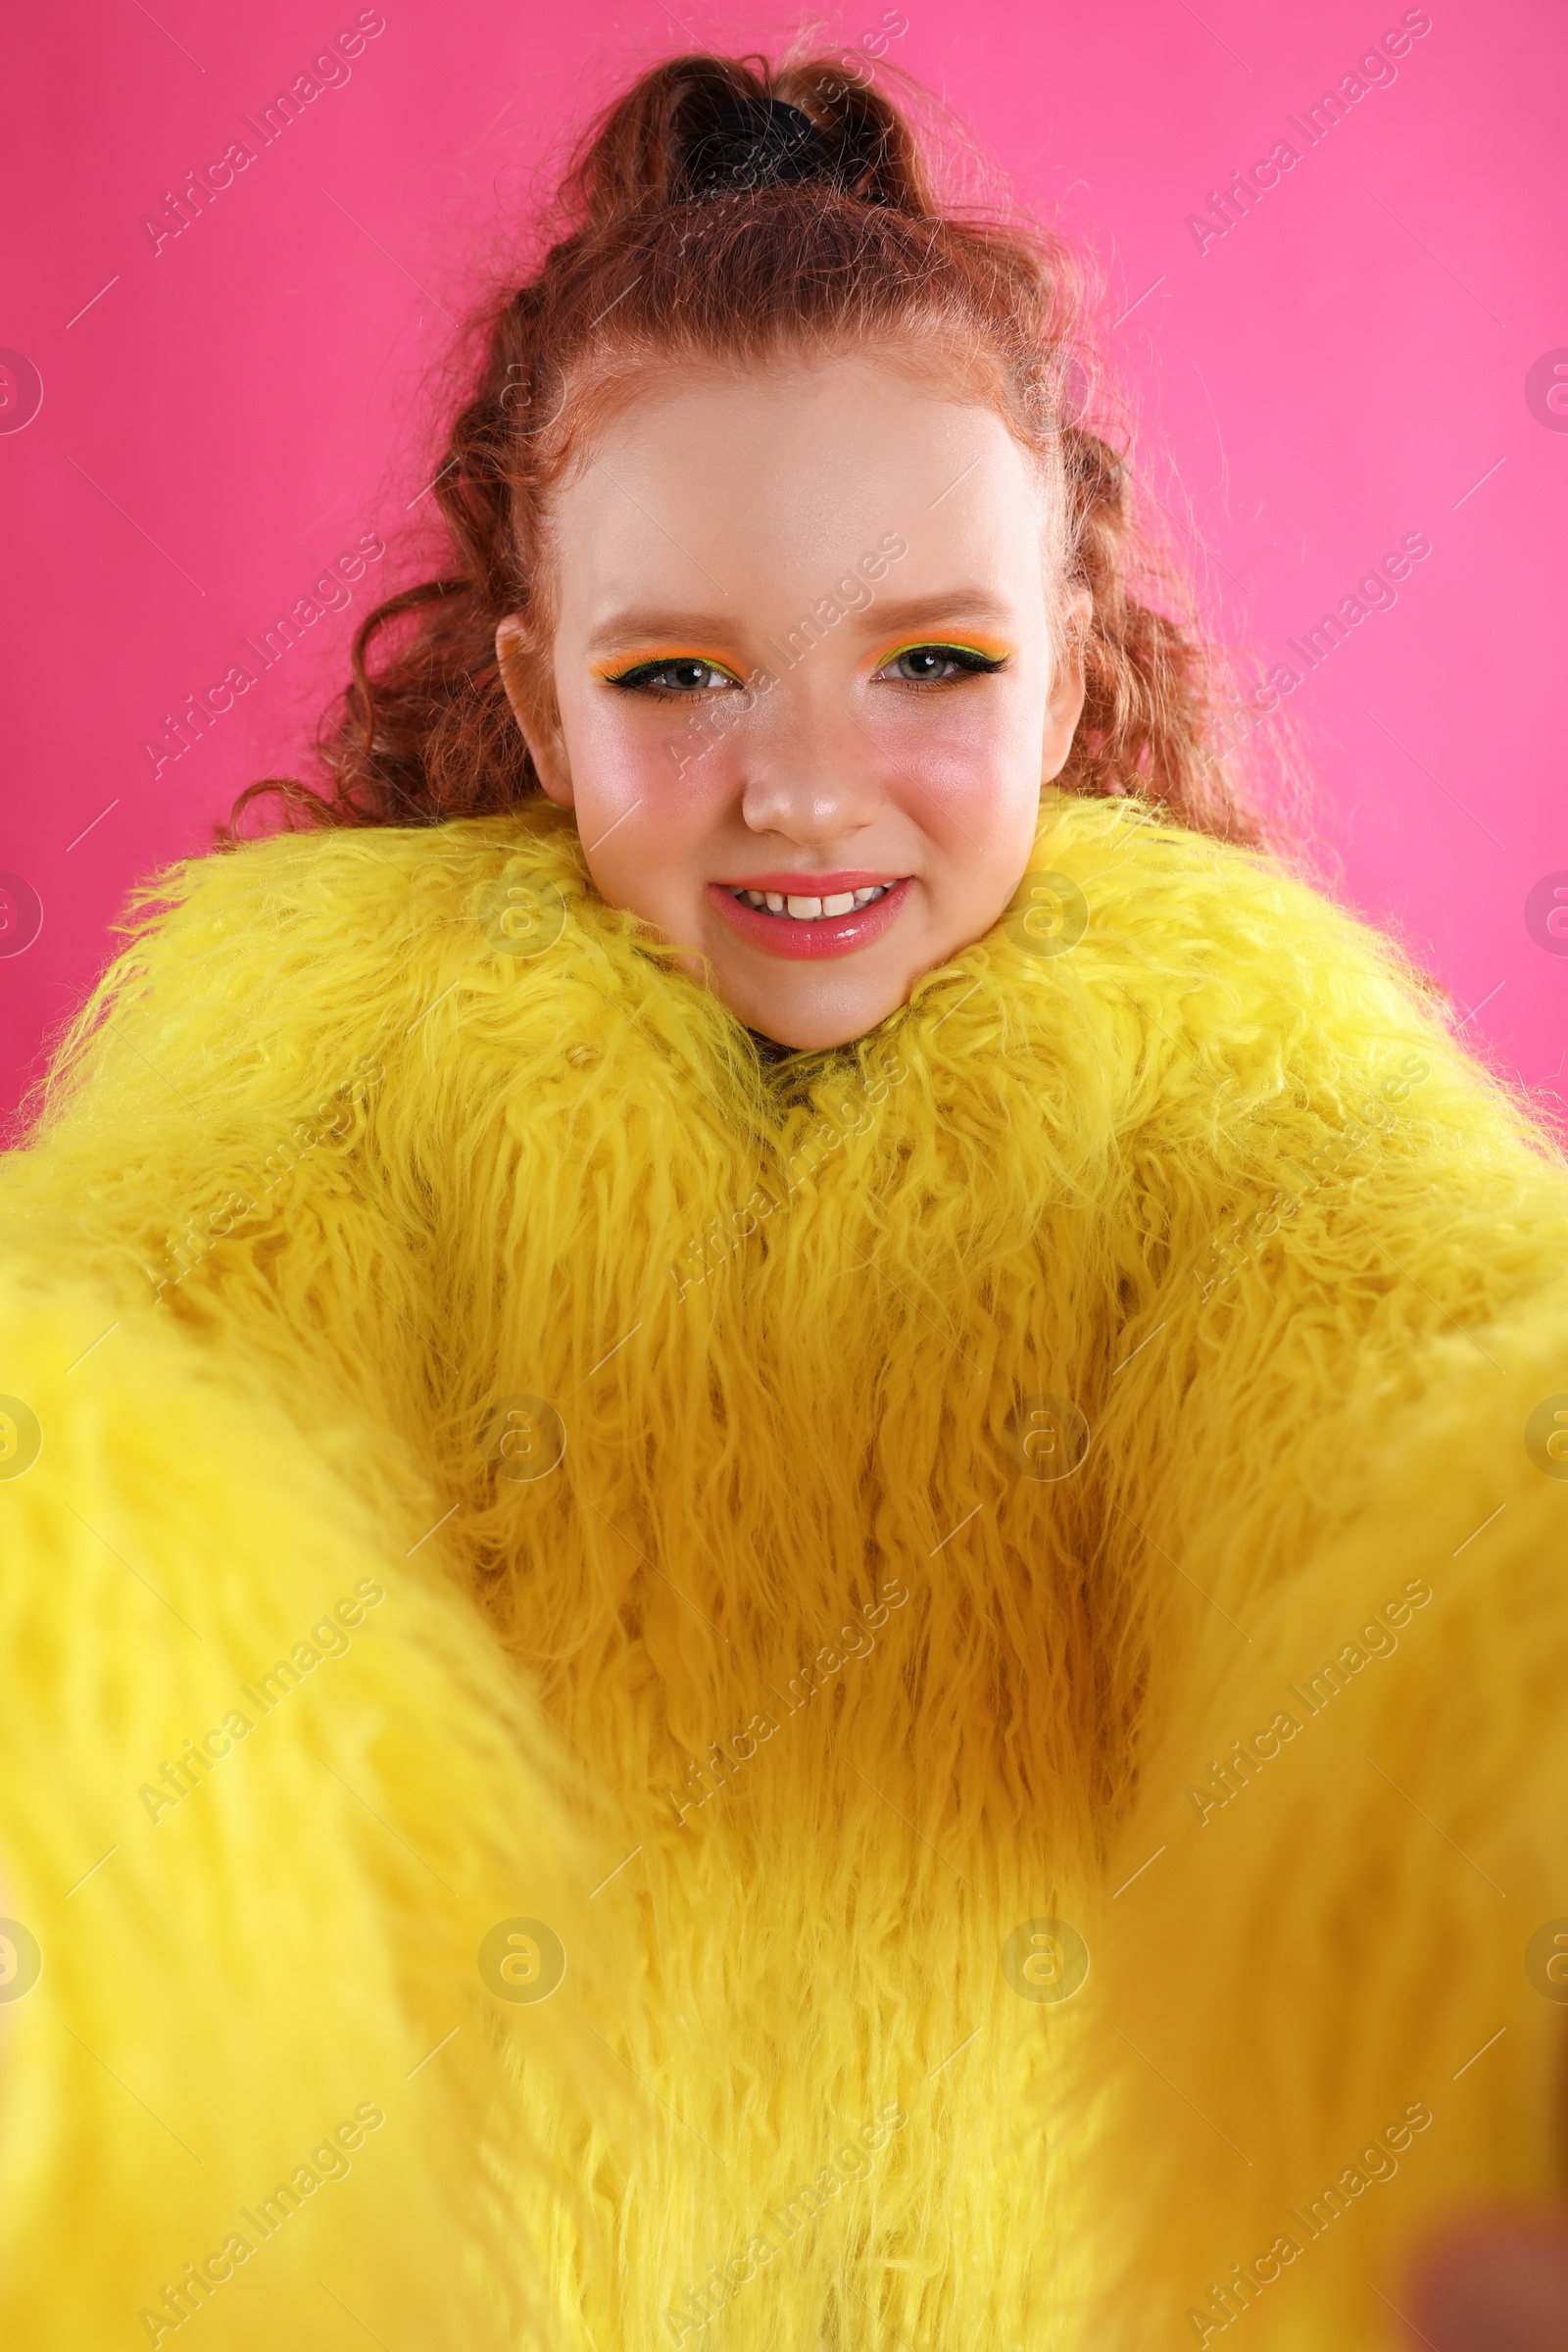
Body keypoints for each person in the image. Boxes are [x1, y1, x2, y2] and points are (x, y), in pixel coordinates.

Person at [2, 49, 1565, 2352]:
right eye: (679, 678)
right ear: (542, 707)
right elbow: (141, 1398)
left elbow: (1408, 1373)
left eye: (928, 661)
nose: (805, 789)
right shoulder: (328, 1055)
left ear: (1056, 680)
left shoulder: (1227, 1079)